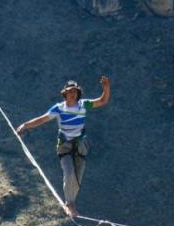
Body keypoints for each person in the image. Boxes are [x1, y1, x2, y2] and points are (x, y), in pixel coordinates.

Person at [16, 76, 111, 218]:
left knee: (78, 178)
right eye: (70, 91)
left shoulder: (83, 105)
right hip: (65, 146)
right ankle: (69, 204)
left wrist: (106, 88)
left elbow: (102, 101)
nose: (72, 93)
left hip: (80, 145)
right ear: (65, 93)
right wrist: (25, 126)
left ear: (78, 93)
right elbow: (42, 119)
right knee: (69, 173)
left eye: (75, 91)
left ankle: (72, 201)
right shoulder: (59, 108)